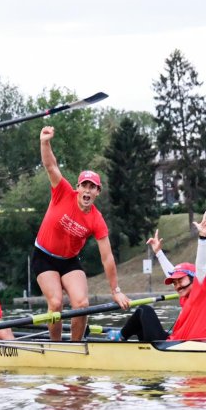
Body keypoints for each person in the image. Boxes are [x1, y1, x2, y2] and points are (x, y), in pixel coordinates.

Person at [33, 126, 130, 342]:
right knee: (56, 303)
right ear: (77, 187)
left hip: (69, 261)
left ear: (98, 192)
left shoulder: (97, 219)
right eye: (84, 185)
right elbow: (50, 166)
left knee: (82, 304)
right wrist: (45, 142)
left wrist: (116, 291)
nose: (87, 190)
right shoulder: (63, 192)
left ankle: (76, 347)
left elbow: (107, 258)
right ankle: (56, 346)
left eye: (92, 187)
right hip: (44, 256)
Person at [111, 210, 206, 342]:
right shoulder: (187, 296)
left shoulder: (199, 293)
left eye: (180, 281)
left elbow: (201, 266)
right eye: (175, 283)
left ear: (194, 279)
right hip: (174, 344)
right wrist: (158, 252)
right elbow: (172, 273)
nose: (177, 286)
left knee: (144, 310)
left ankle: (119, 338)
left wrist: (203, 237)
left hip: (177, 349)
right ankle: (121, 339)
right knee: (139, 323)